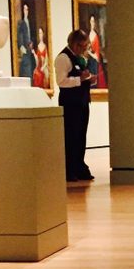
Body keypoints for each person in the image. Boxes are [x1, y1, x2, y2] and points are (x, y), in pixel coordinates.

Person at [55, 28, 95, 181]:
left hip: (82, 103)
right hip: (70, 104)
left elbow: (80, 76)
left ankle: (79, 166)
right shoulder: (63, 58)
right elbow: (61, 81)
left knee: (81, 137)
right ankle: (69, 169)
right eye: (82, 46)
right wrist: (80, 79)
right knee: (71, 136)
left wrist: (89, 79)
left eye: (86, 46)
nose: (84, 49)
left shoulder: (78, 58)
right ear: (74, 43)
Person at [87, 13, 108, 89]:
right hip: (89, 60)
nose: (92, 23)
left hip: (94, 61)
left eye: (93, 21)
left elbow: (96, 54)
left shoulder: (95, 35)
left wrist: (88, 52)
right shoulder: (89, 34)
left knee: (94, 82)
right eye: (91, 21)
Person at [16, 1, 36, 81]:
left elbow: (32, 34)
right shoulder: (21, 23)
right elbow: (20, 35)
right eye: (24, 9)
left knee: (31, 67)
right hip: (25, 49)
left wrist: (32, 43)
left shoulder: (30, 22)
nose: (26, 11)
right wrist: (21, 46)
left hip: (30, 50)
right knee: (25, 68)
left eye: (27, 9)